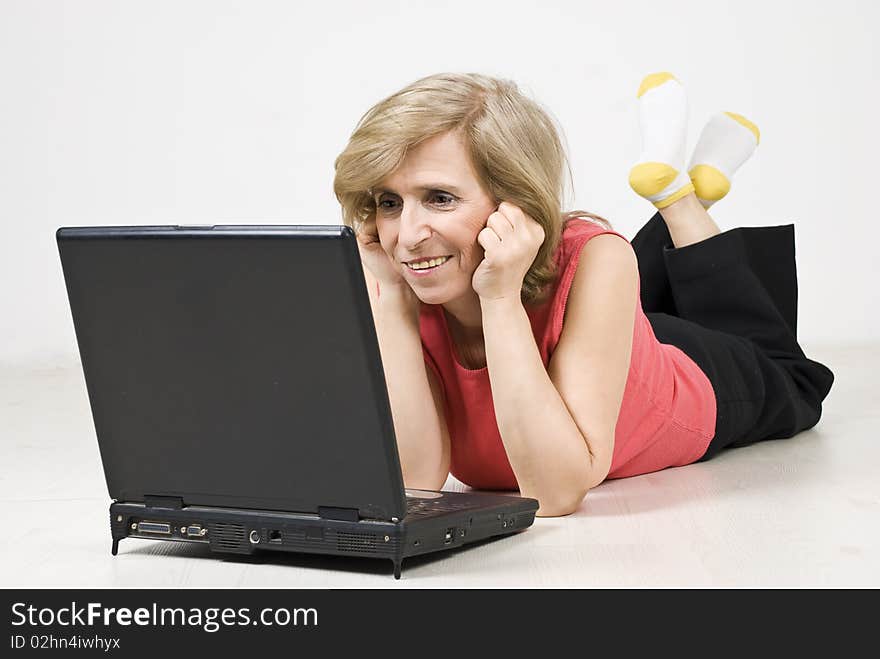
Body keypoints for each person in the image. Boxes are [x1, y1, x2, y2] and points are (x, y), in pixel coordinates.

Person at [332, 72, 835, 517]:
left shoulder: (595, 259)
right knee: (616, 280)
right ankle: (689, 189)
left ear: (515, 201)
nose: (407, 234)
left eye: (439, 198)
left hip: (686, 385)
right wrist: (394, 302)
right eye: (389, 203)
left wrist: (501, 298)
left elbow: (553, 493)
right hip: (607, 337)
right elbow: (415, 481)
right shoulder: (396, 269)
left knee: (791, 377)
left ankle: (679, 201)